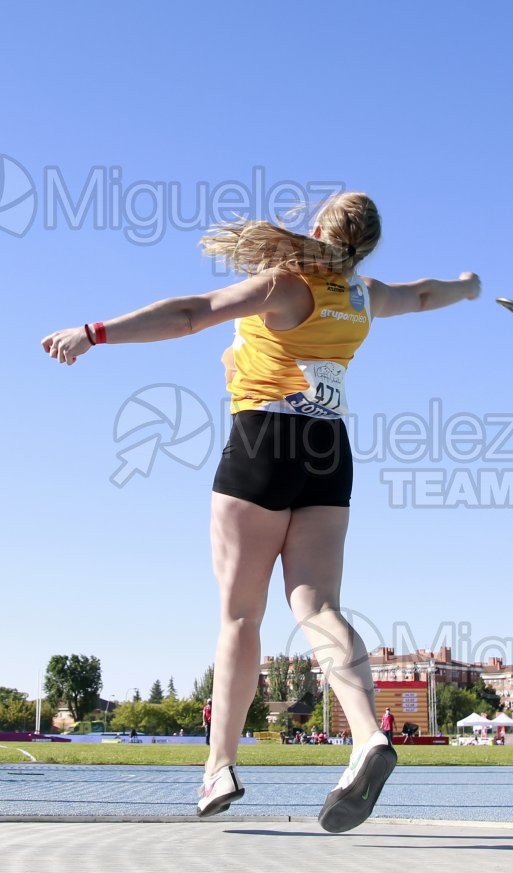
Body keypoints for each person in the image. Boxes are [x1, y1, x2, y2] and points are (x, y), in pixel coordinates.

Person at [41, 191, 480, 833]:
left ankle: (219, 766)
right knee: (319, 607)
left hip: (263, 442)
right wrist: (467, 288)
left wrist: (93, 333)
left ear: (320, 227)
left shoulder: (285, 284)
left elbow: (191, 314)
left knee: (241, 615)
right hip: (328, 450)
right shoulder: (363, 295)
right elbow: (420, 295)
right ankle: (367, 735)